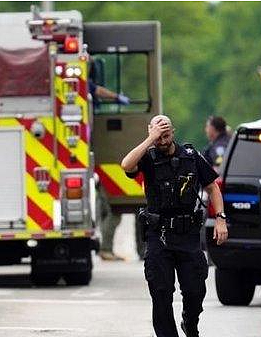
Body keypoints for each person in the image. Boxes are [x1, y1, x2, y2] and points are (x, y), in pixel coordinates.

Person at [121, 115, 228, 337]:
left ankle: (190, 322)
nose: (162, 139)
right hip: (159, 235)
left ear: (173, 132)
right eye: (158, 135)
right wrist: (150, 139)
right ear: (151, 133)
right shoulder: (148, 157)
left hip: (188, 234)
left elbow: (212, 188)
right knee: (161, 293)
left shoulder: (191, 156)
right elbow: (126, 165)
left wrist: (220, 218)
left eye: (166, 134)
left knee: (195, 290)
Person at [89, 79, 130, 261]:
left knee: (110, 211)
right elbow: (98, 90)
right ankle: (105, 249)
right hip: (96, 166)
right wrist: (116, 97)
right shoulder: (85, 82)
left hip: (93, 164)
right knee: (114, 212)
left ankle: (106, 248)